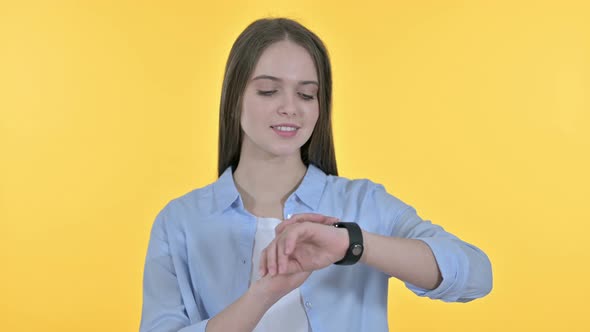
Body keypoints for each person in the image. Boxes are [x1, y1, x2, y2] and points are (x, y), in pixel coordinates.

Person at [139, 17, 493, 332]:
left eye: (307, 94)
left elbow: (476, 275)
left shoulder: (363, 203)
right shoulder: (181, 221)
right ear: (234, 99)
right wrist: (263, 295)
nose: (290, 107)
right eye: (268, 90)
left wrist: (352, 243)